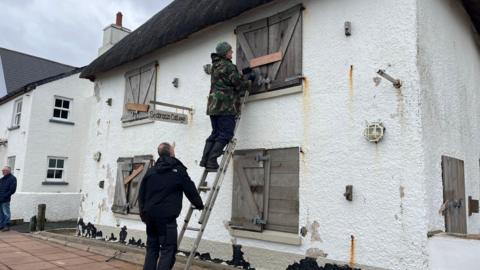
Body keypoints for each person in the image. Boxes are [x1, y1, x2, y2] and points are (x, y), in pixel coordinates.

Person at [138, 143, 204, 270]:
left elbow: (141, 195)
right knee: (168, 250)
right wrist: (199, 204)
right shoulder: (178, 171)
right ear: (171, 153)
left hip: (150, 218)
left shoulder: (151, 172)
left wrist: (143, 214)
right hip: (166, 220)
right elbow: (190, 190)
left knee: (152, 249)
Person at [200, 41, 254, 170]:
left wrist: (240, 73)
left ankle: (205, 159)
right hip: (225, 107)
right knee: (226, 134)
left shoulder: (215, 67)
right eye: (230, 51)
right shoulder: (229, 67)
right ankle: (212, 160)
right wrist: (250, 81)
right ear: (225, 53)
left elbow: (225, 79)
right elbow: (238, 84)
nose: (232, 52)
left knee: (215, 133)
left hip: (213, 106)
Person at [0, 166, 17, 232]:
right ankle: (1, 225)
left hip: (5, 199)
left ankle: (6, 226)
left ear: (8, 171)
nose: (2, 172)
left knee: (6, 213)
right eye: (2, 170)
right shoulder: (2, 179)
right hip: (0, 199)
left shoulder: (12, 178)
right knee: (1, 213)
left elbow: (12, 190)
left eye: (4, 170)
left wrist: (4, 196)